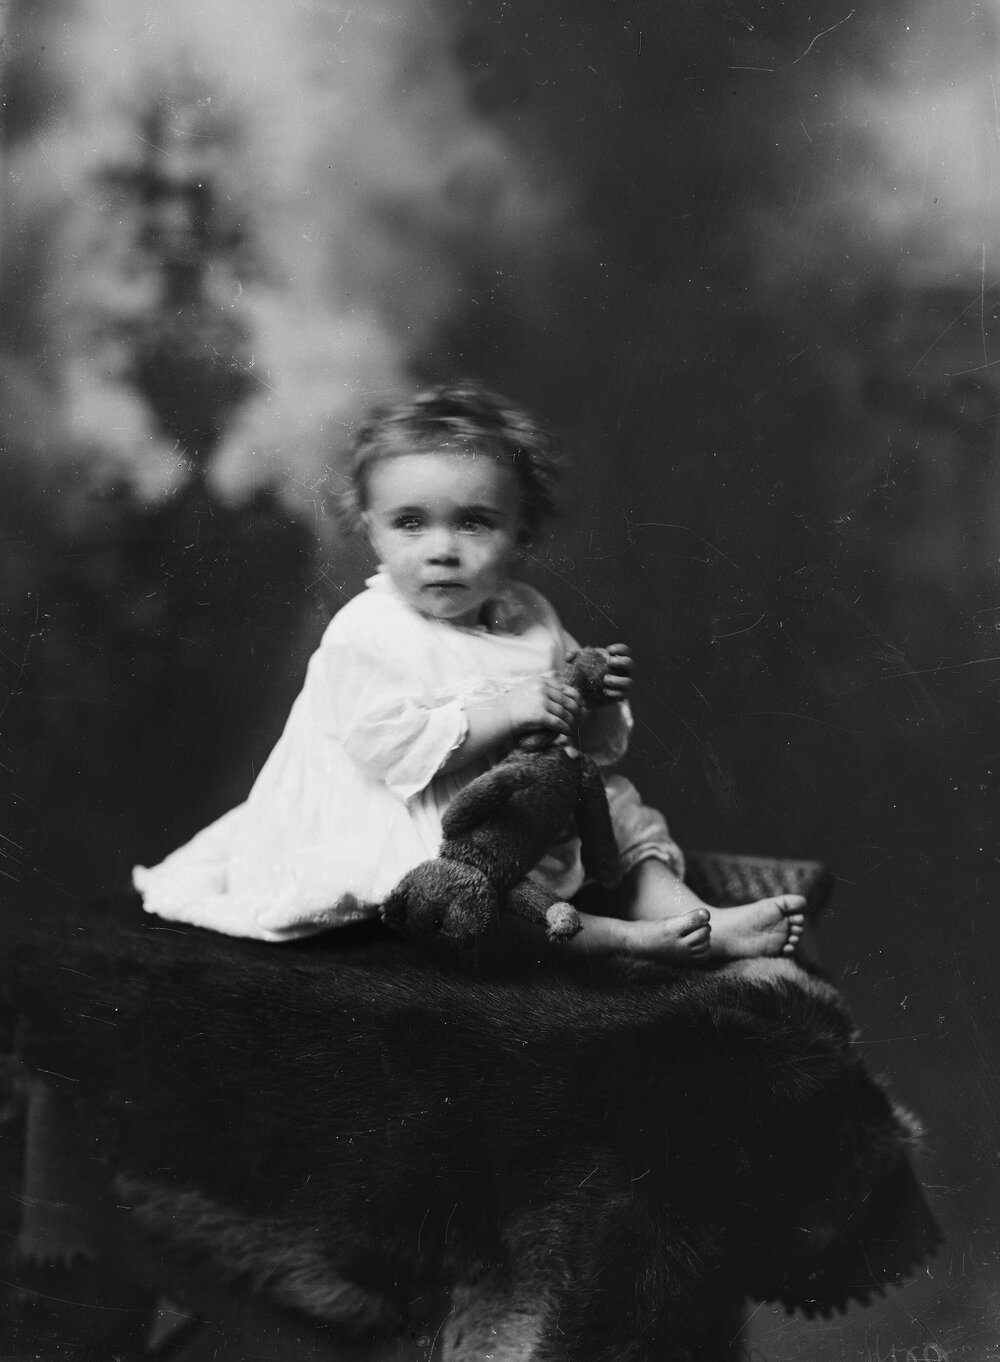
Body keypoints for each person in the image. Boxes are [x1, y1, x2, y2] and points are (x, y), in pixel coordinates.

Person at [133, 382, 805, 963]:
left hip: (511, 800)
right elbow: (383, 745)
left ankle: (690, 916)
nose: (442, 551)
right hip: (399, 808)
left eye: (475, 524)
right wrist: (507, 711)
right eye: (410, 524)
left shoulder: (528, 615)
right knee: (463, 879)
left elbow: (574, 731)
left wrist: (589, 696)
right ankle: (616, 942)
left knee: (616, 804)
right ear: (371, 529)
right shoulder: (369, 631)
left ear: (522, 533)